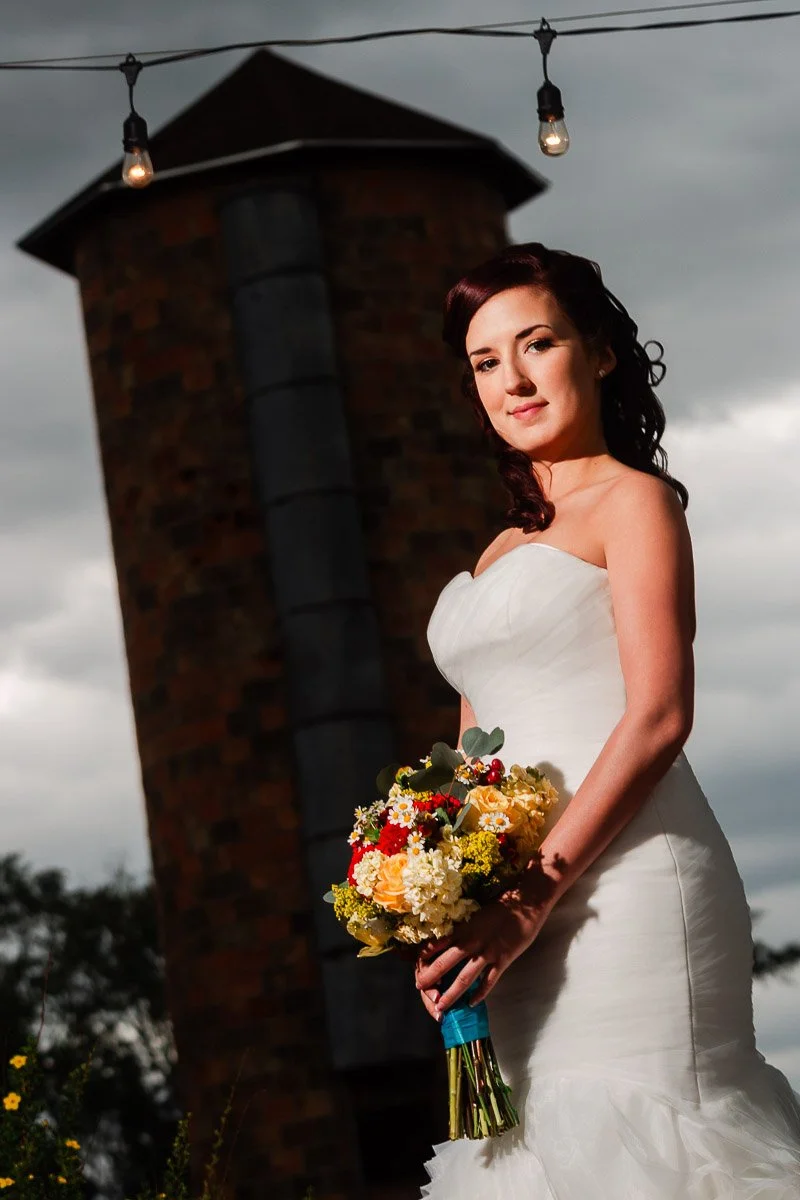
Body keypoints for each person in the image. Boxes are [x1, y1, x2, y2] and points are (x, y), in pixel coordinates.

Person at [416, 242, 800, 1197]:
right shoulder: (500, 548)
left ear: (599, 353)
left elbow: (661, 715)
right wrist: (444, 896)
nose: (512, 379)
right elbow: (473, 761)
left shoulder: (634, 503)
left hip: (629, 887)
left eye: (535, 344)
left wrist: (528, 899)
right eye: (484, 363)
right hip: (513, 916)